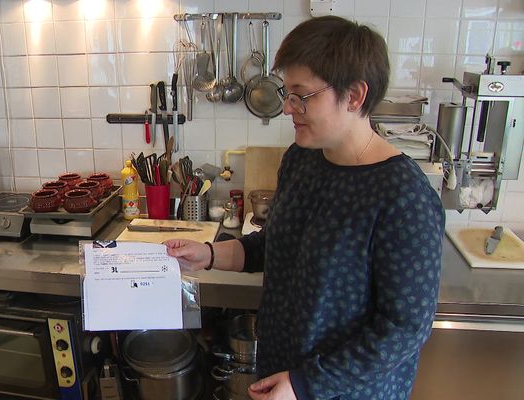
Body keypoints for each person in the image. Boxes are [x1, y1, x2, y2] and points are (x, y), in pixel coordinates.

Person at [165, 15, 445, 400]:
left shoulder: (403, 197)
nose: (286, 108)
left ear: (354, 96)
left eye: (301, 95)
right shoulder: (302, 159)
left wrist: (306, 383)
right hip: (282, 375)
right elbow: (275, 245)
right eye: (287, 93)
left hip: (341, 390)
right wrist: (209, 255)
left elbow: (405, 329)